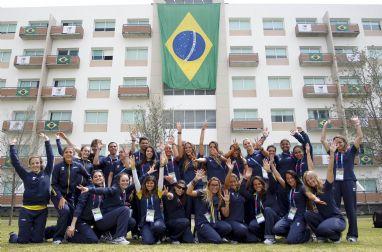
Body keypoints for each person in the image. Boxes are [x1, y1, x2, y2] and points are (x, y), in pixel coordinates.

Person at [320, 117, 363, 242]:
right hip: (335, 183)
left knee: (351, 209)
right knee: (335, 209)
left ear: (345, 143)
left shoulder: (350, 152)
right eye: (335, 142)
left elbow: (359, 137)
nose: (337, 144)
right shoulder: (332, 153)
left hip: (349, 181)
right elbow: (322, 139)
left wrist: (357, 124)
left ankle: (352, 235)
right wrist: (325, 125)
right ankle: (335, 235)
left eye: (340, 142)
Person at [8, 133, 54, 244]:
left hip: (41, 211)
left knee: (37, 240)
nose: (35, 165)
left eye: (37, 163)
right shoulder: (26, 175)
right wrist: (12, 146)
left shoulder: (47, 173)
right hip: (27, 210)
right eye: (33, 163)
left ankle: (35, 233)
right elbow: (16, 163)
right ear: (29, 165)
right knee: (22, 241)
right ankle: (13, 235)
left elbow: (51, 157)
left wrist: (47, 141)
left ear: (40, 163)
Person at [267, 160, 326, 244]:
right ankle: (294, 232)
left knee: (291, 241)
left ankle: (307, 234)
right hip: (290, 215)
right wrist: (272, 167)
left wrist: (316, 199)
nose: (290, 180)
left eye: (291, 178)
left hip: (299, 216)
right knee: (276, 229)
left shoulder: (302, 187)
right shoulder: (288, 188)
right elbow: (279, 177)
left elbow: (309, 194)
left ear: (295, 178)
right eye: (287, 179)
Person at [303, 142, 346, 243]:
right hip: (323, 218)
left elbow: (330, 170)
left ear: (315, 177)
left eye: (311, 178)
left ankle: (336, 237)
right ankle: (321, 236)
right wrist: (308, 154)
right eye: (308, 180)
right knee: (307, 214)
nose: (310, 181)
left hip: (336, 219)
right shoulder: (313, 190)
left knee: (322, 228)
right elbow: (310, 169)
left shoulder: (327, 186)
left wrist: (332, 154)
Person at [77, 171, 135, 245]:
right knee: (125, 209)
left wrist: (146, 173)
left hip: (106, 217)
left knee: (131, 221)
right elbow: (104, 190)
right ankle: (119, 237)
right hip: (101, 219)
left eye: (127, 181)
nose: (125, 182)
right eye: (123, 181)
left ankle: (110, 235)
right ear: (118, 182)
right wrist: (89, 190)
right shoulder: (114, 189)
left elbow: (135, 184)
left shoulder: (123, 190)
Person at [51, 146, 92, 244]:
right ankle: (57, 238)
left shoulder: (78, 166)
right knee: (65, 211)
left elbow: (89, 177)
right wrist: (60, 197)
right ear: (63, 154)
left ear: (74, 154)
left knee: (72, 215)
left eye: (71, 152)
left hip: (70, 197)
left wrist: (89, 187)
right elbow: (53, 185)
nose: (69, 154)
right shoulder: (57, 166)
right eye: (66, 152)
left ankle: (51, 233)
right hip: (57, 195)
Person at [186, 170, 232, 244]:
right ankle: (201, 236)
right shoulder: (203, 192)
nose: (215, 187)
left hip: (214, 222)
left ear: (219, 186)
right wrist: (195, 179)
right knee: (217, 240)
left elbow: (226, 214)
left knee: (227, 227)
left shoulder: (220, 196)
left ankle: (207, 236)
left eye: (216, 185)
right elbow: (189, 192)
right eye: (212, 185)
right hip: (203, 223)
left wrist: (227, 203)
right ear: (209, 185)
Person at [131, 154, 167, 245]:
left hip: (157, 219)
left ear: (154, 184)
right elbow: (136, 181)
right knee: (148, 241)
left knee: (159, 227)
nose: (149, 185)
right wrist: (133, 169)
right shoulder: (140, 193)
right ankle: (151, 236)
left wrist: (162, 167)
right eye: (148, 183)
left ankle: (158, 236)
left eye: (152, 183)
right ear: (145, 184)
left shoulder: (158, 192)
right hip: (146, 221)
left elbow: (161, 180)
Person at [222, 159, 259, 243]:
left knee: (253, 240)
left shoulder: (240, 193)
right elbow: (226, 184)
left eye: (234, 181)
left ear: (237, 181)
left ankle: (236, 238)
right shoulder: (226, 191)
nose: (233, 183)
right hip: (230, 221)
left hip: (241, 222)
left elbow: (244, 183)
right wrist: (230, 170)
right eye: (231, 182)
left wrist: (246, 177)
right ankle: (230, 237)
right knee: (243, 230)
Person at [65, 170, 105, 244]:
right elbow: (79, 207)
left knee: (97, 236)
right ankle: (68, 236)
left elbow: (97, 208)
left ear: (103, 178)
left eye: (100, 176)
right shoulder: (87, 189)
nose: (98, 178)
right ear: (92, 180)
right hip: (81, 221)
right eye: (95, 177)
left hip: (92, 220)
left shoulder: (103, 191)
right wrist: (72, 225)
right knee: (93, 240)